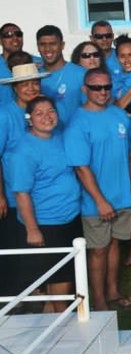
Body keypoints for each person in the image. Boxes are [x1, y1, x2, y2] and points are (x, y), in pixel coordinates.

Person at [65, 67, 131, 310]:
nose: (102, 92)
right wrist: (100, 200)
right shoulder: (78, 123)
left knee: (115, 243)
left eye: (106, 87)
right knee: (98, 250)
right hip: (96, 201)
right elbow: (81, 168)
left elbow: (129, 156)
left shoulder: (117, 115)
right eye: (96, 87)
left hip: (122, 195)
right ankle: (98, 300)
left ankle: (113, 291)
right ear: (85, 89)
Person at [7, 96, 83, 312]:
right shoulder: (23, 150)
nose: (47, 117)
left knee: (66, 276)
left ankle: (56, 318)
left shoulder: (59, 137)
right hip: (47, 224)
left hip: (70, 217)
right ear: (29, 119)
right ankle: (66, 326)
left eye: (50, 111)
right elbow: (22, 193)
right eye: (39, 113)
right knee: (59, 280)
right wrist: (32, 230)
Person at [0, 57, 50, 299]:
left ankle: (39, 293)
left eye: (34, 83)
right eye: (25, 84)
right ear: (14, 88)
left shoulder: (43, 111)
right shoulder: (5, 116)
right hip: (12, 194)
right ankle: (15, 298)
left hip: (41, 195)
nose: (31, 88)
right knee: (16, 248)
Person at [36, 25, 86, 128]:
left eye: (53, 44)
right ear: (37, 47)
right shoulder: (34, 76)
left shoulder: (80, 74)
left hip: (73, 137)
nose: (48, 49)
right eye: (43, 44)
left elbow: (90, 110)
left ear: (62, 45)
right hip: (45, 139)